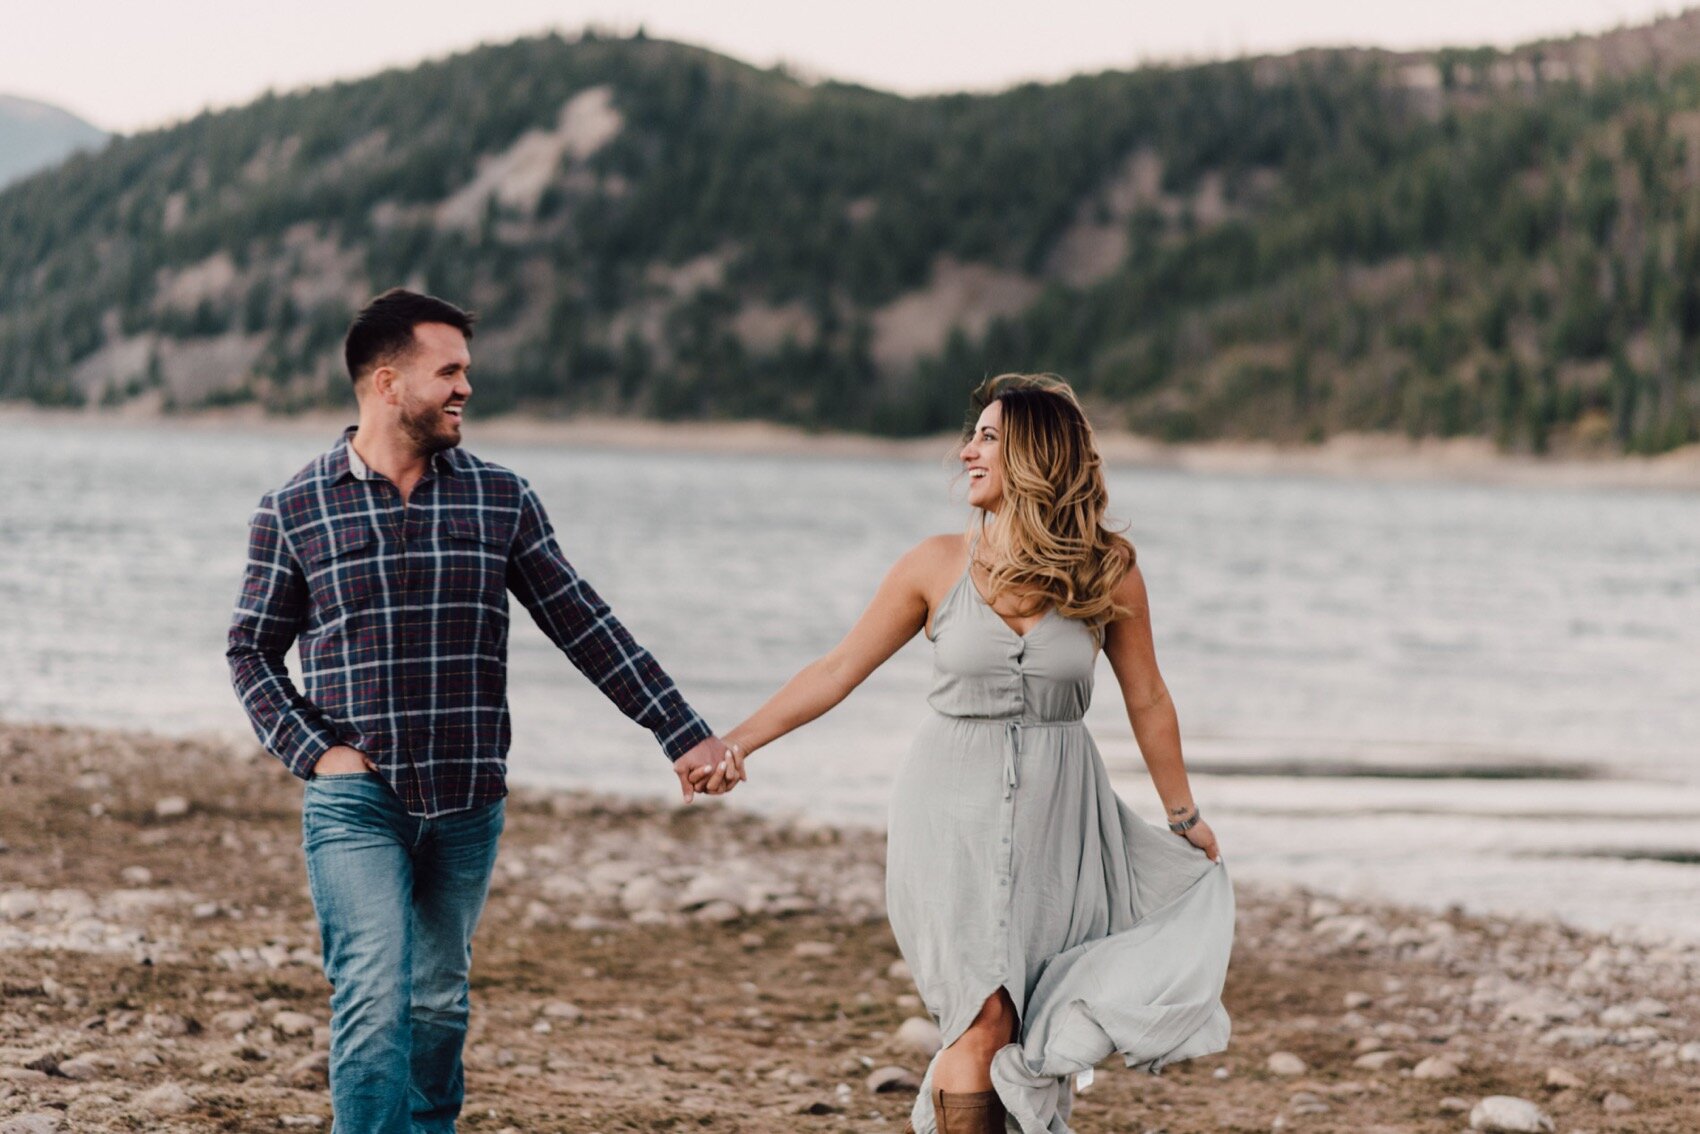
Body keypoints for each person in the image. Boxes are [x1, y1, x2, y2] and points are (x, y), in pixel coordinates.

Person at [226, 288, 732, 1134]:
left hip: (468, 801)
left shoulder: (502, 499)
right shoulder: (293, 508)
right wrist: (315, 751)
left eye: (467, 369)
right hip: (357, 798)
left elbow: (585, 625)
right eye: (448, 370)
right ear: (388, 383)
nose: (466, 387)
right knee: (371, 992)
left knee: (435, 1003)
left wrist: (681, 731)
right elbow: (250, 650)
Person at [697, 374, 1233, 1134]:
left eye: (987, 437)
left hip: (1059, 815)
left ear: (1036, 454)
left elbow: (1148, 700)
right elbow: (835, 670)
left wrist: (1184, 818)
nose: (966, 451)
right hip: (948, 805)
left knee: (1018, 1021)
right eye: (973, 435)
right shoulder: (934, 564)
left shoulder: (1107, 568)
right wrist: (735, 742)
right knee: (980, 1015)